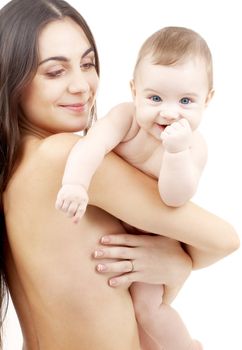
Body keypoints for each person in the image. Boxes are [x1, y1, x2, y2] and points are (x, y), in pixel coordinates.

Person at [0, 1, 239, 349]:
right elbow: (224, 239)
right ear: (11, 79)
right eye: (55, 72)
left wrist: (169, 265)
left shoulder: (14, 169)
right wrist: (177, 263)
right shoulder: (63, 158)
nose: (81, 86)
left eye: (87, 64)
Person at [55, 26, 214, 349]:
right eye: (154, 98)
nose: (169, 112)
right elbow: (91, 146)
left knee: (147, 312)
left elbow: (174, 197)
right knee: (117, 313)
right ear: (134, 90)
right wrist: (75, 184)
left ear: (207, 100)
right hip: (108, 225)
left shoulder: (192, 147)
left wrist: (175, 153)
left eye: (186, 101)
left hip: (152, 237)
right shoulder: (125, 118)